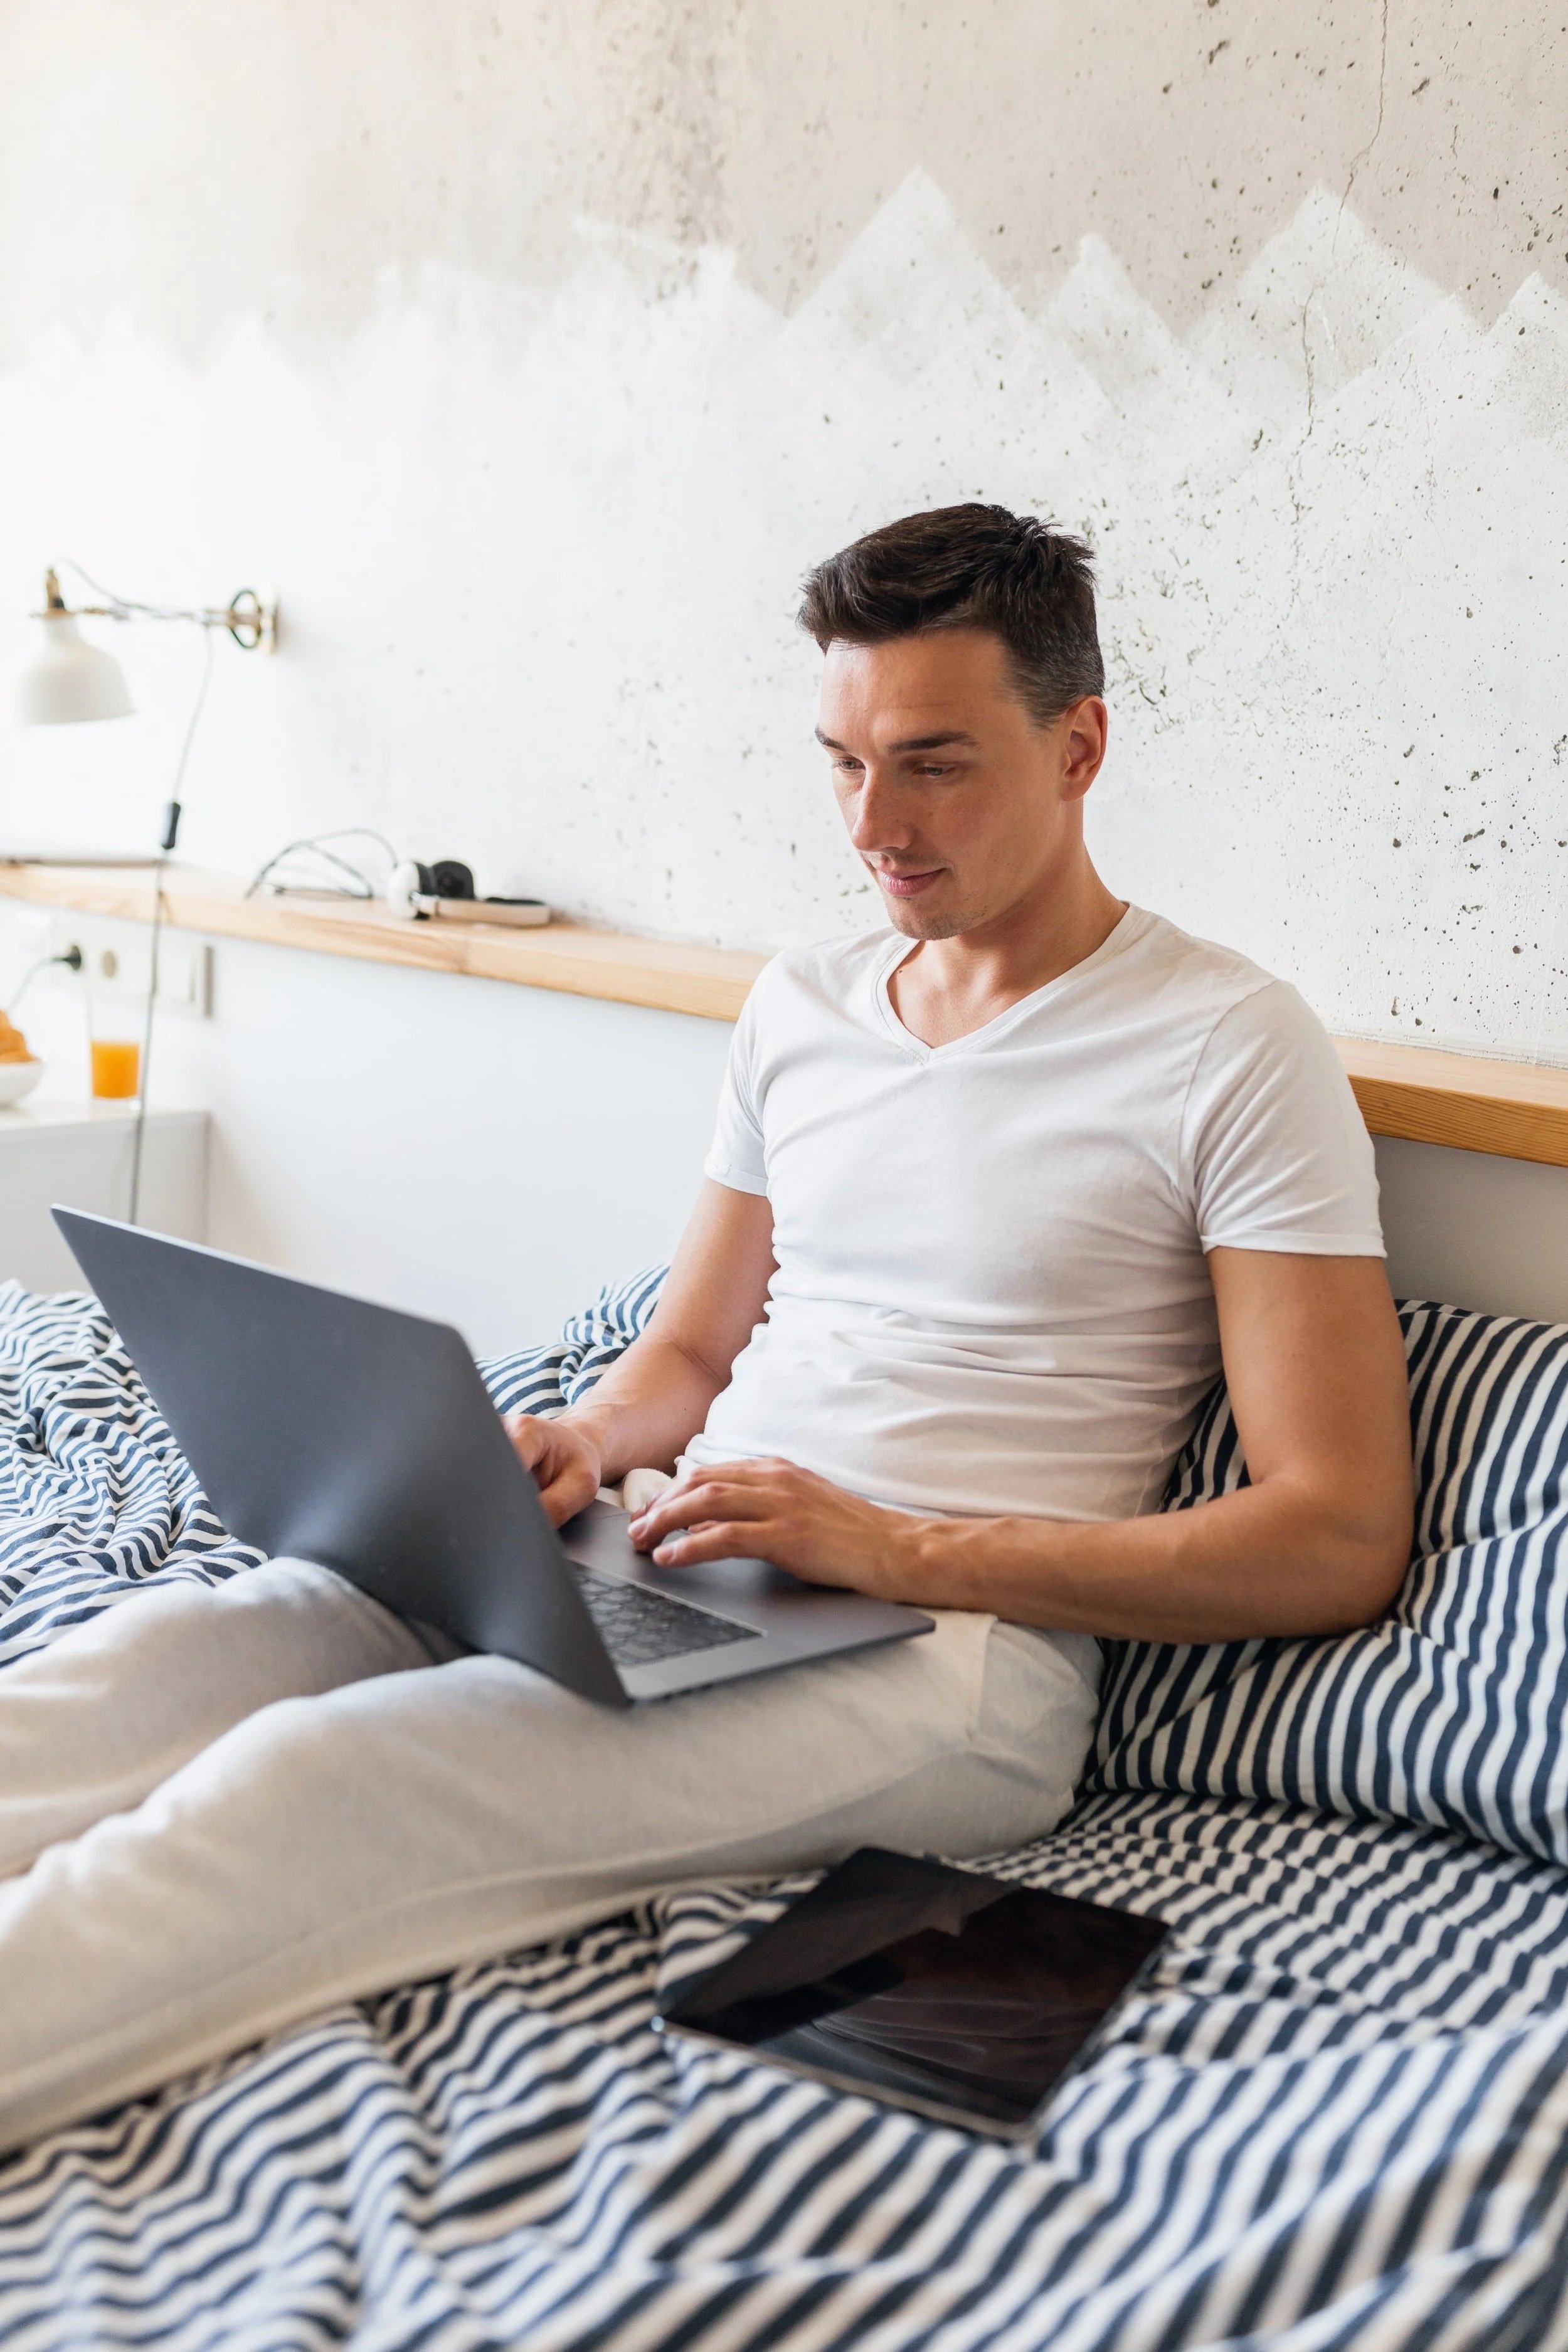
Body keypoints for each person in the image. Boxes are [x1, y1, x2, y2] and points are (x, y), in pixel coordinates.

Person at [0, 505, 1412, 2154]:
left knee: (320, 1785)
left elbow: (1335, 1536)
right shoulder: (801, 1004)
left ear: (1078, 743)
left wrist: (896, 1548)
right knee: (164, 1660)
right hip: (668, 1561)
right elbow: (683, 1355)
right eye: (839, 763)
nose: (872, 823)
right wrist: (574, 1447)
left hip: (948, 1664)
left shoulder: (1228, 1047)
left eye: (934, 764)